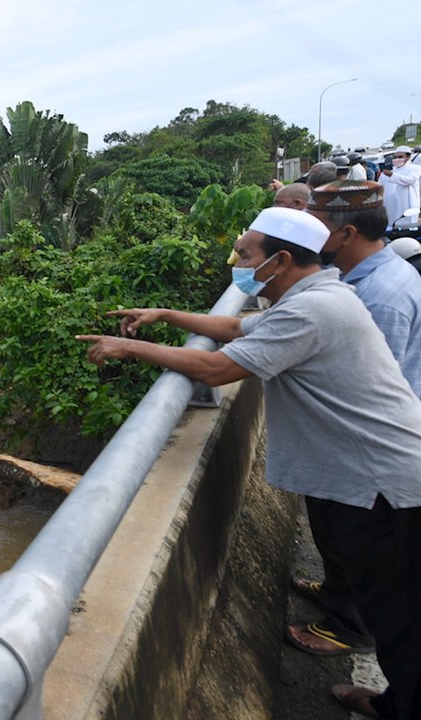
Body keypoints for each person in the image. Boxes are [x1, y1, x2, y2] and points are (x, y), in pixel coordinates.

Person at [76, 207, 421, 720]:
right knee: (388, 605)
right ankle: (397, 699)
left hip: (382, 488)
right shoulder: (312, 297)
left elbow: (218, 368)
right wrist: (165, 316)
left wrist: (132, 346)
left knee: (398, 617)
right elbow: (234, 326)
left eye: (245, 254)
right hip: (366, 478)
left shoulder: (313, 311)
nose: (236, 261)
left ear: (280, 260)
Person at [282, 181, 421, 659]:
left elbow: (374, 385)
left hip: (371, 454)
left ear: (342, 233)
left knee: (366, 548)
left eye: (315, 224)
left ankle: (350, 626)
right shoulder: (360, 275)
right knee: (338, 536)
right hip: (353, 447)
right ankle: (341, 591)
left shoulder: (379, 295)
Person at [381, 146, 421, 226]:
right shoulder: (390, 170)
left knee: (407, 226)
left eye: (400, 157)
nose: (397, 159)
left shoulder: (415, 168)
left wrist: (392, 175)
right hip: (391, 206)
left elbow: (409, 180)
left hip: (407, 205)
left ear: (408, 157)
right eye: (395, 157)